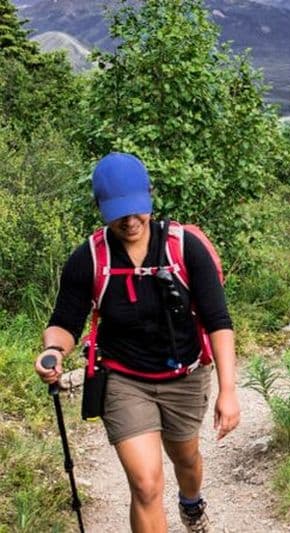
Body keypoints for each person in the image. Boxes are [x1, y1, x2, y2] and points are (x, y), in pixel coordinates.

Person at [33, 152, 240, 533]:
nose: (129, 221)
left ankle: (191, 505)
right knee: (145, 485)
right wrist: (53, 350)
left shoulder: (184, 247)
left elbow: (218, 321)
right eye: (118, 213)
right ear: (100, 208)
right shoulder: (90, 259)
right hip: (124, 379)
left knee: (186, 458)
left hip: (185, 376)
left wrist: (229, 390)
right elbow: (64, 321)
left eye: (136, 210)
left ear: (150, 197)